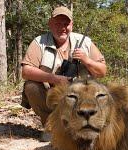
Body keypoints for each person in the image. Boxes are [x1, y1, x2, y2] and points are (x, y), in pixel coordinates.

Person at [20, 6, 107, 141]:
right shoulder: (39, 42)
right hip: (51, 98)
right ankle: (51, 125)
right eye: (58, 23)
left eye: (66, 24)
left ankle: (83, 124)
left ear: (71, 25)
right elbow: (25, 71)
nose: (62, 27)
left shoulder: (85, 42)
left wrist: (86, 60)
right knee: (30, 86)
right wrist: (54, 79)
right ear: (50, 23)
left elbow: (102, 71)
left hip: (81, 100)